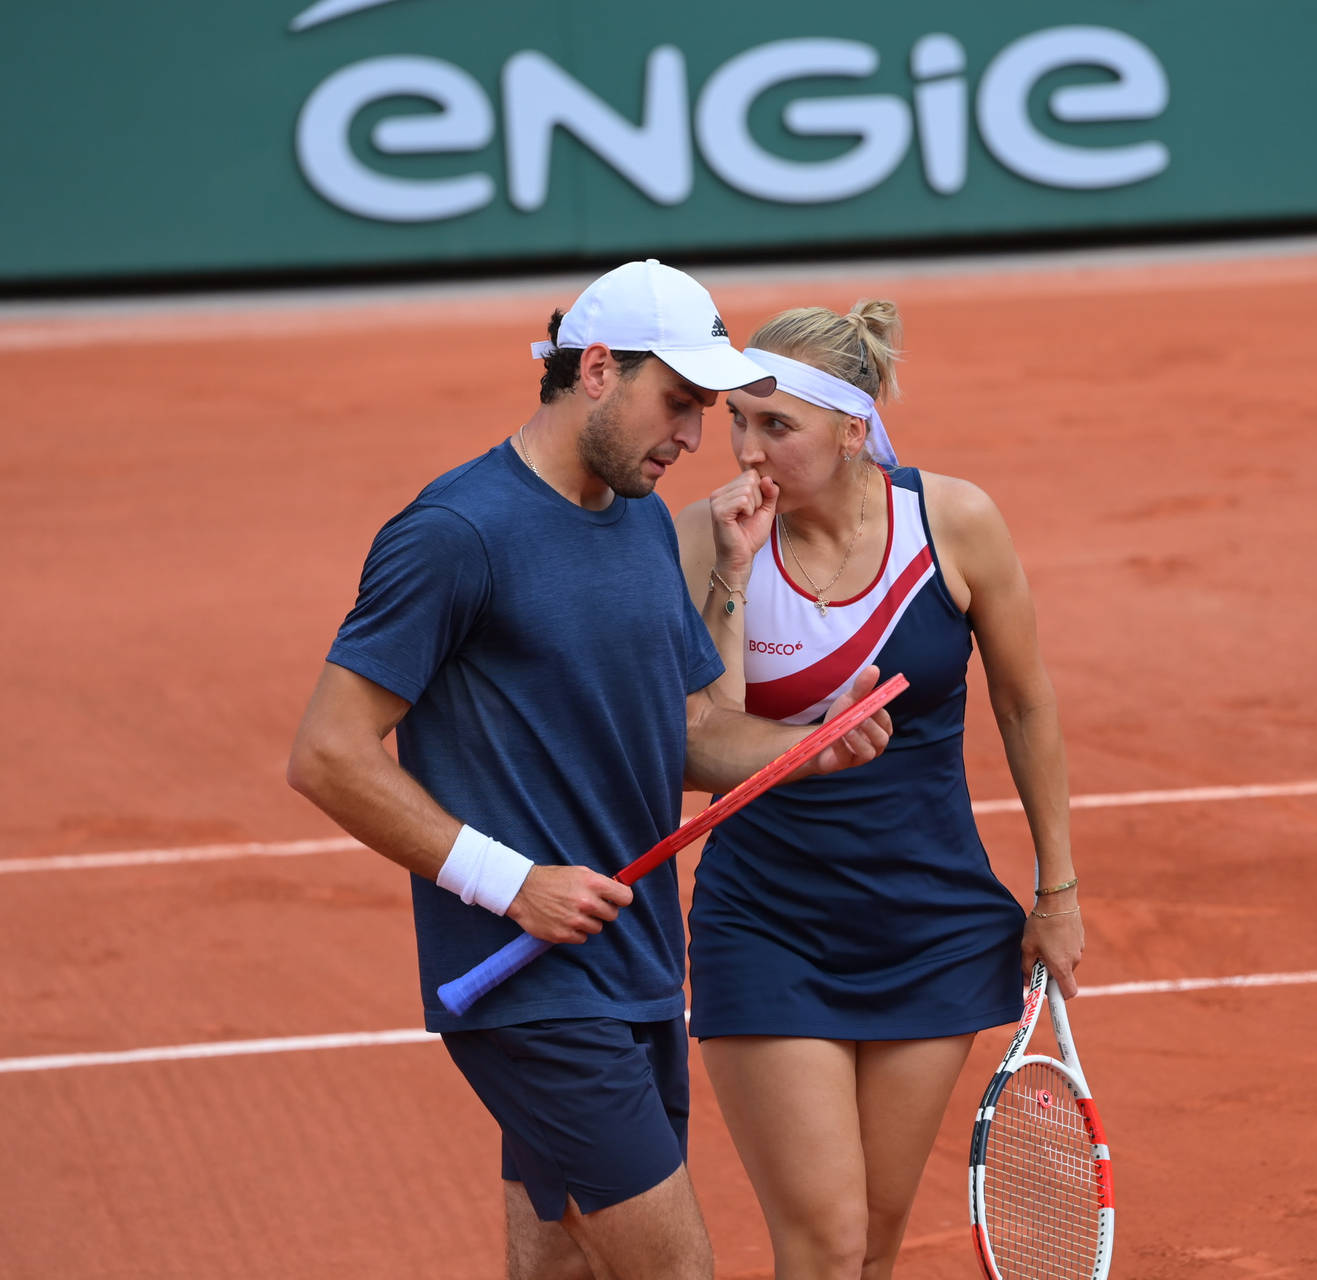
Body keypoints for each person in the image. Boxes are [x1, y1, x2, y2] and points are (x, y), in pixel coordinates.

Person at [285, 260, 894, 1280]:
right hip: (532, 989)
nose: (698, 438)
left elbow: (695, 735)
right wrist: (508, 881)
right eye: (681, 403)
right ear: (598, 369)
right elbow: (328, 750)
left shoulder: (642, 522)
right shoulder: (457, 532)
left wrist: (812, 742)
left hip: (638, 966)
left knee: (562, 1261)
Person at [672, 299, 1083, 1279]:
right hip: (769, 924)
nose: (748, 448)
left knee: (878, 1242)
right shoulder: (711, 535)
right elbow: (699, 740)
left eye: (777, 425)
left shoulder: (953, 522)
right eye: (738, 421)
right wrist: (731, 573)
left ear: (853, 429)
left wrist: (1057, 887)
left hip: (929, 921)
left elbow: (1025, 704)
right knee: (824, 1244)